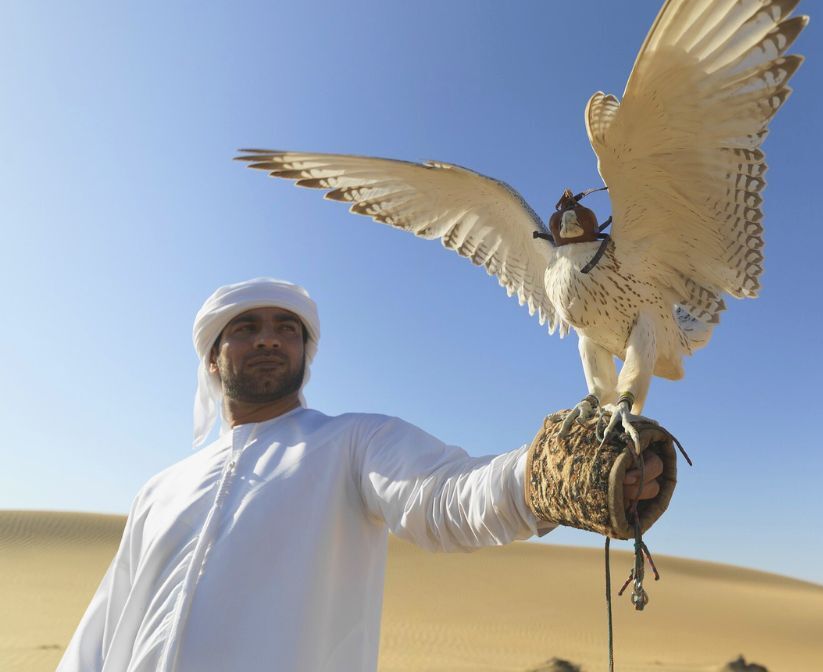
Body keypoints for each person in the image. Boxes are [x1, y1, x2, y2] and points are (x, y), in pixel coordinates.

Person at [60, 278, 663, 672]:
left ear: (305, 351)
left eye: (286, 328)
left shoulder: (353, 443)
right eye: (245, 328)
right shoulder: (159, 490)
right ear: (214, 358)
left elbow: (445, 497)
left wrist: (546, 479)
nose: (269, 338)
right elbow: (103, 631)